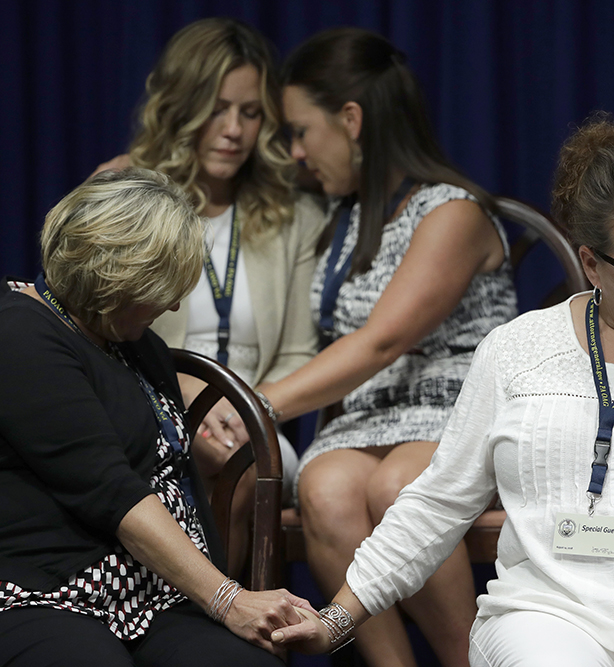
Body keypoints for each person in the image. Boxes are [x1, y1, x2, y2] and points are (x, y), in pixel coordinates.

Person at [271, 115, 614, 667]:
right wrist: (336, 619)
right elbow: (437, 502)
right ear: (590, 264)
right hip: (551, 613)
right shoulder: (517, 348)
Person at [0, 169, 313, 667]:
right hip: (4, 586)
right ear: (114, 275)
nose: (172, 303)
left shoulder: (134, 344)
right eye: (162, 287)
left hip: (136, 599)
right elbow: (114, 494)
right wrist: (228, 599)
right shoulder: (17, 339)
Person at [207, 27, 517, 666]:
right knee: (324, 486)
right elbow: (227, 176)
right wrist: (141, 166)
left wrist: (251, 405)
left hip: (454, 415)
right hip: (365, 420)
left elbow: (382, 341)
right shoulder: (335, 215)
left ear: (350, 120)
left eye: (300, 131)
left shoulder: (451, 212)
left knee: (402, 485)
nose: (293, 151)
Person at [94, 17, 327, 574]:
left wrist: (245, 409)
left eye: (250, 114)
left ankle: (221, 630)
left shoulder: (296, 214)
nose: (233, 131)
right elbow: (98, 331)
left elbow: (300, 351)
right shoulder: (126, 192)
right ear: (183, 106)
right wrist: (185, 407)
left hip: (255, 418)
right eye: (217, 108)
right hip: (148, 403)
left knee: (240, 464)